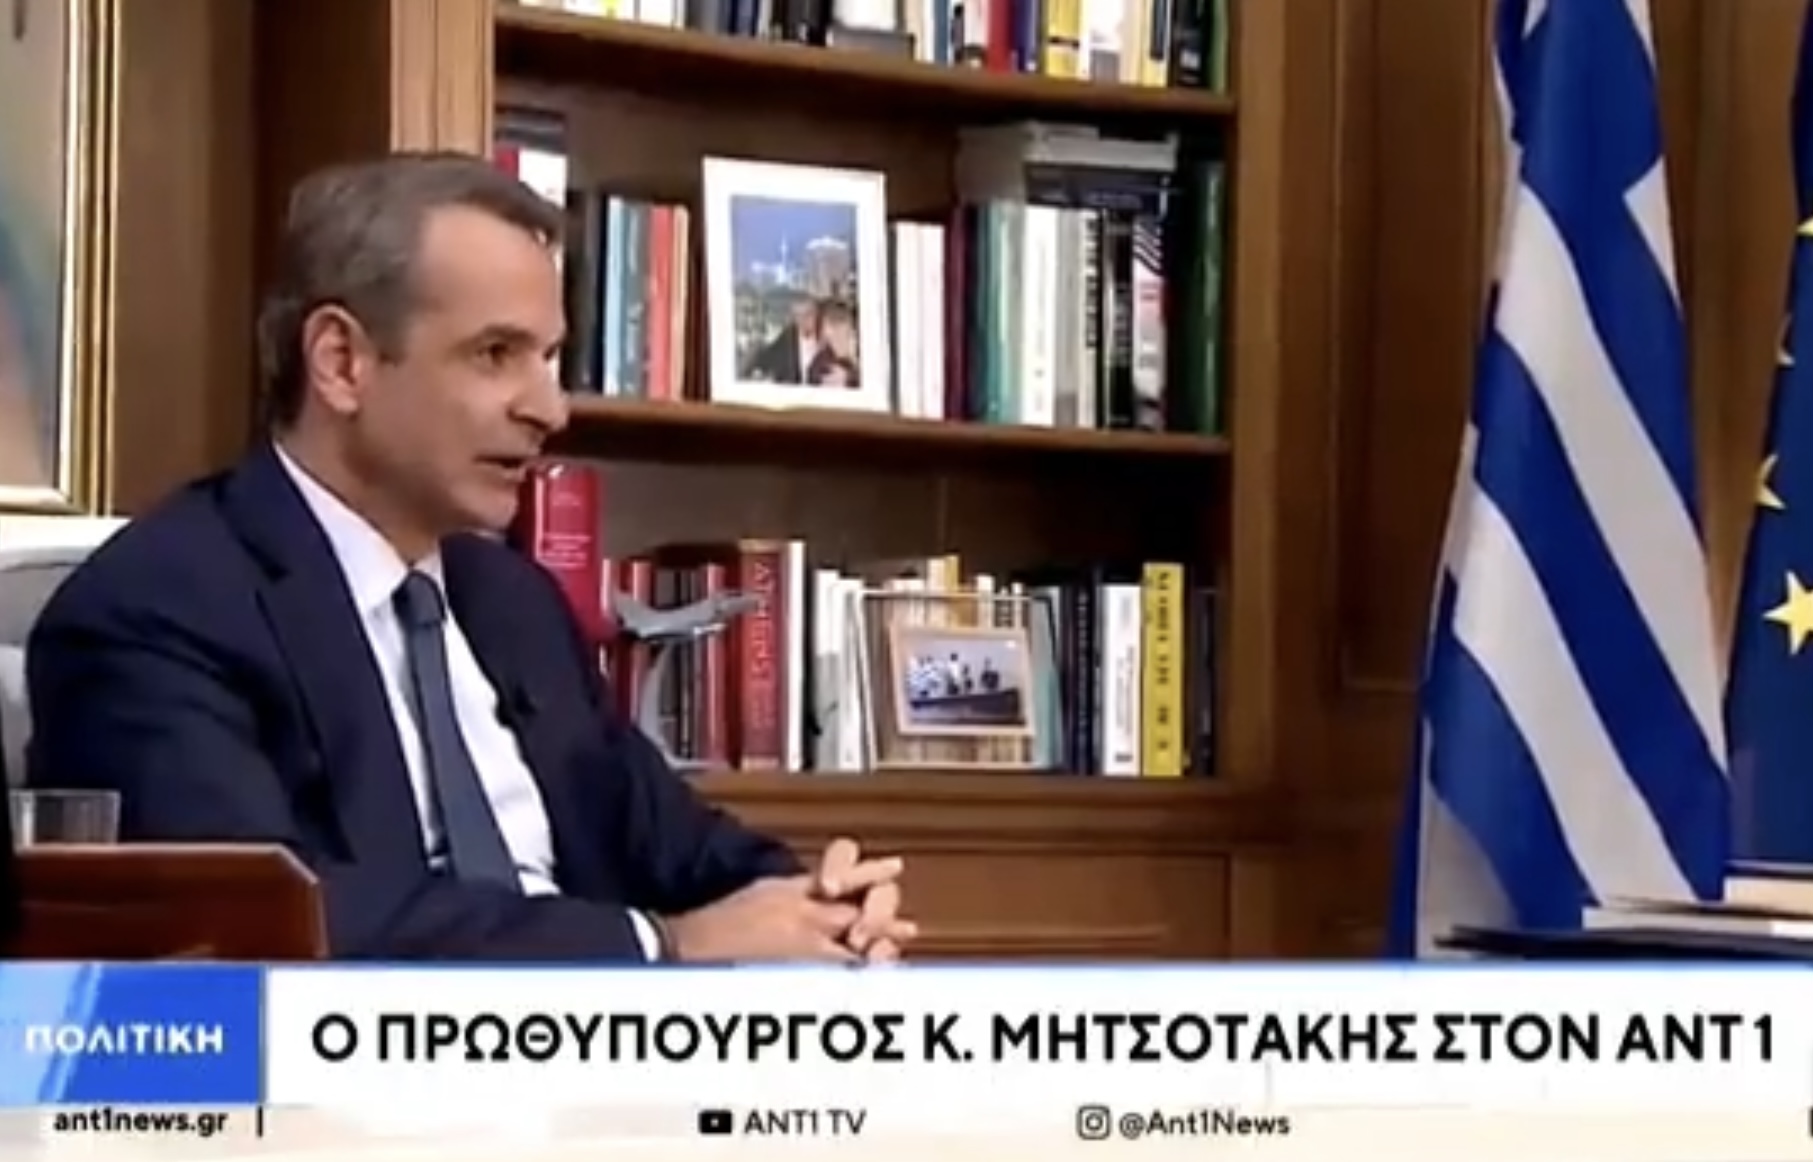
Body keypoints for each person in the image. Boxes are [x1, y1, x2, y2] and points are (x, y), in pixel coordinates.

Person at [24, 152, 914, 963]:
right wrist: (662, 943)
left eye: (551, 357)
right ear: (341, 363)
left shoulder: (511, 601)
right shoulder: (155, 609)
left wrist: (814, 903)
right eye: (496, 354)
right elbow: (261, 926)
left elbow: (673, 843)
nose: (550, 409)